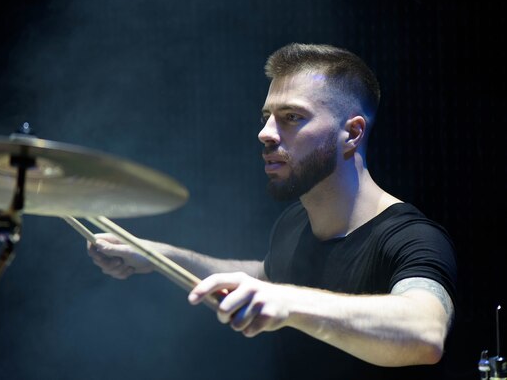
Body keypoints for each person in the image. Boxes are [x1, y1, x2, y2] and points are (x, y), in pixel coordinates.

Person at [86, 43, 457, 379]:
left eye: (292, 117)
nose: (266, 133)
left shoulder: (411, 238)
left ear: (353, 133)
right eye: (267, 116)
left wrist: (289, 301)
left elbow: (426, 332)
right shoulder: (295, 222)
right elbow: (267, 277)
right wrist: (157, 256)